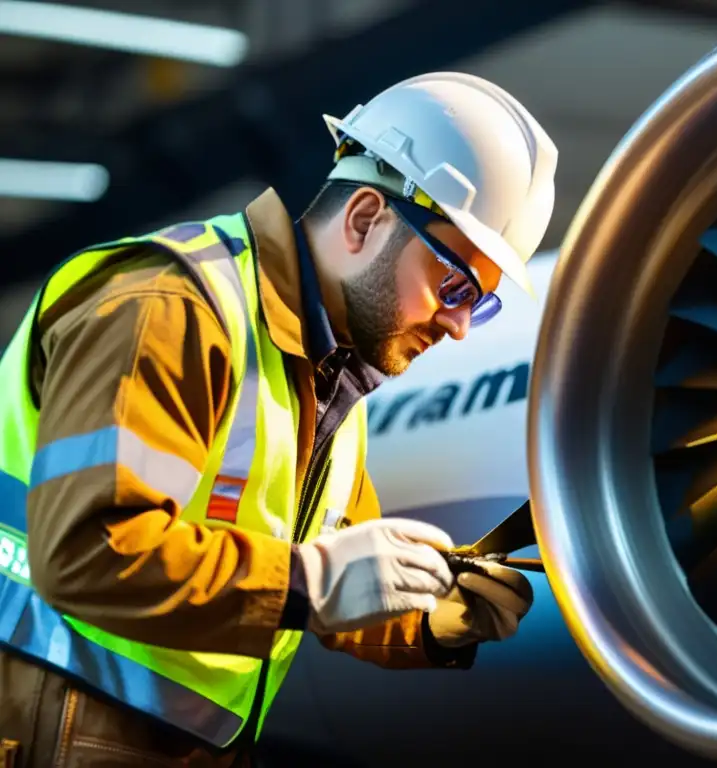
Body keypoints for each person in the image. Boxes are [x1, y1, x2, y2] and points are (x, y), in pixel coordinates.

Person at [0, 71, 557, 766]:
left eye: (483, 303)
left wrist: (431, 619)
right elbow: (88, 551)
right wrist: (313, 582)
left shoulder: (325, 386)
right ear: (363, 220)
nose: (460, 325)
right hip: (46, 722)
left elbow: (335, 585)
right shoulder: (173, 309)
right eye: (455, 284)